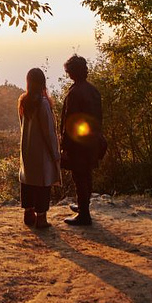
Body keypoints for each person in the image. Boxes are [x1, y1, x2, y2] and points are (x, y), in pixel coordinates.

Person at [60, 55, 103, 226]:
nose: (68, 74)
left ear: (72, 72)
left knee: (80, 176)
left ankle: (84, 215)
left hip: (79, 144)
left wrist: (65, 146)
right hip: (92, 141)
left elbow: (71, 121)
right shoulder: (93, 90)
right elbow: (99, 118)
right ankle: (83, 206)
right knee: (87, 174)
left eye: (68, 71)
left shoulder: (76, 93)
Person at [18, 68, 60, 229]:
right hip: (41, 150)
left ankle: (28, 213)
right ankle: (41, 218)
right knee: (43, 183)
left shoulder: (23, 101)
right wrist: (55, 153)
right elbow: (49, 131)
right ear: (43, 83)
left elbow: (22, 125)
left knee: (28, 180)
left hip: (27, 148)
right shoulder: (42, 103)